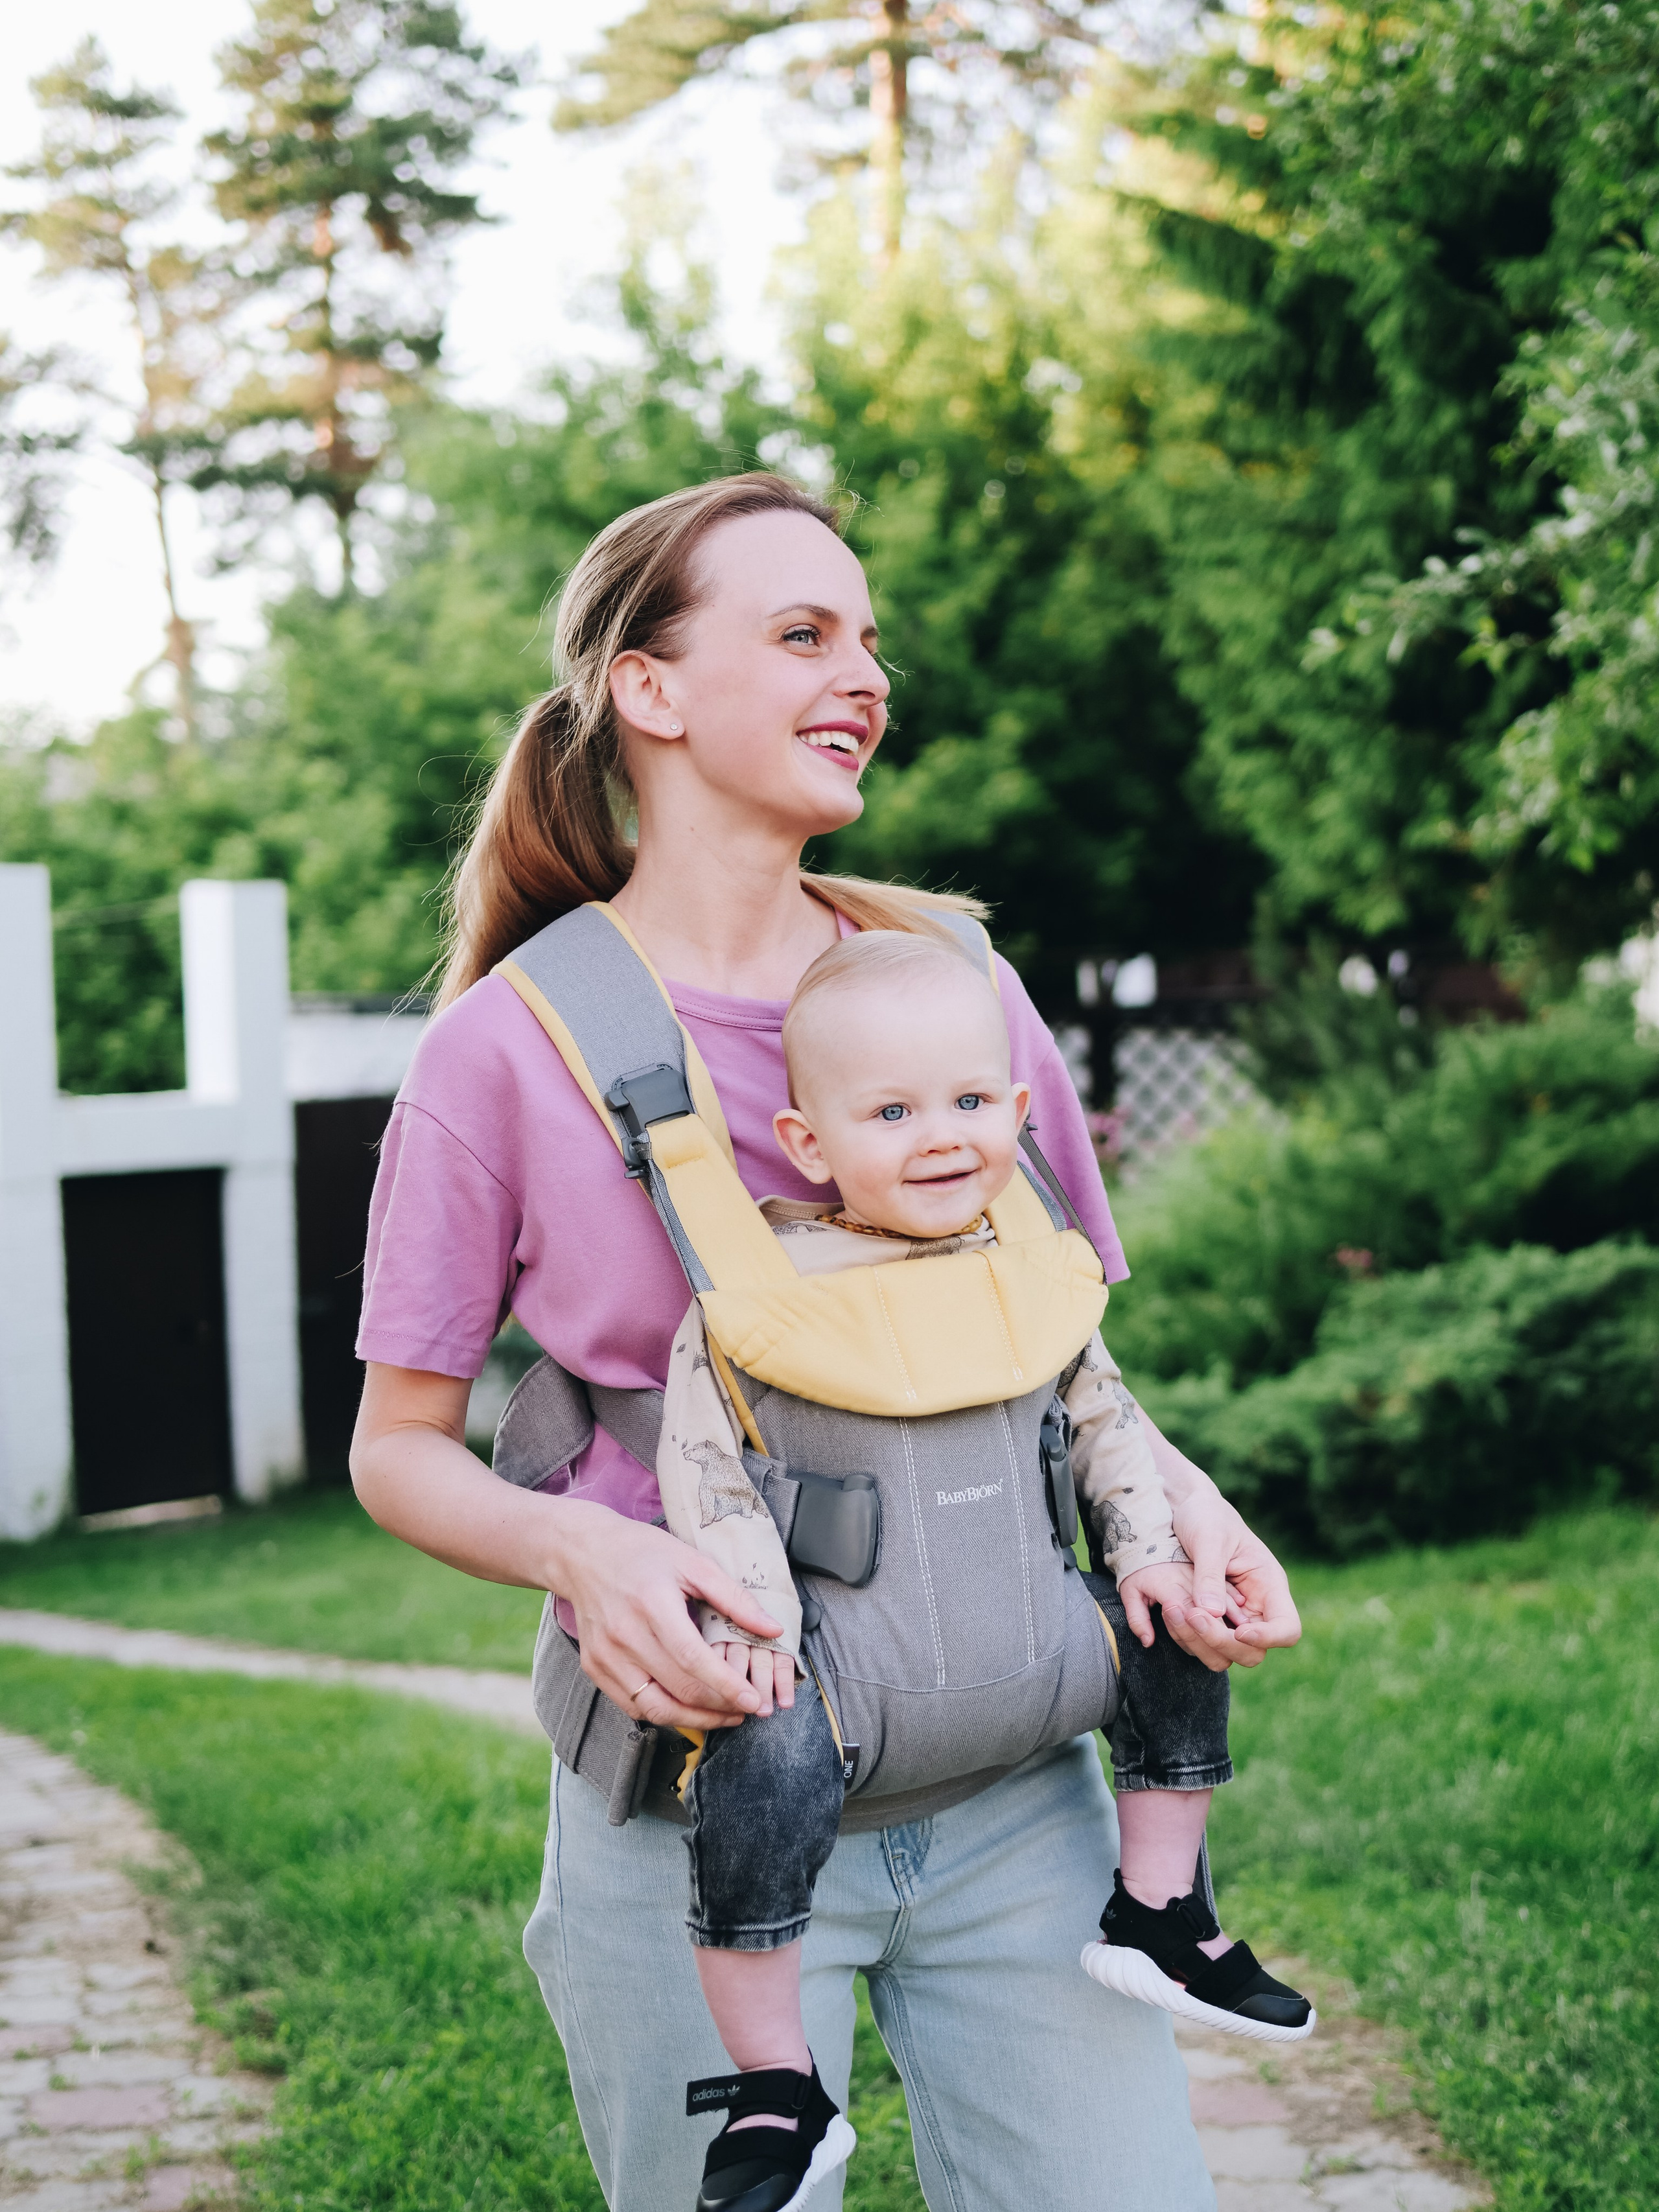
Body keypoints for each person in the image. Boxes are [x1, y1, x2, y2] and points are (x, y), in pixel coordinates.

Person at [349, 471, 1303, 2212]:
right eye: (803, 632)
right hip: (694, 1801)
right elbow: (393, 1442)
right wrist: (585, 1545)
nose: (864, 670)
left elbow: (1051, 1348)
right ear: (650, 687)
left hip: (1023, 1792)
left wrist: (1194, 1509)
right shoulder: (505, 1049)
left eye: (867, 636)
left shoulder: (956, 988)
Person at [655, 928, 1312, 2207]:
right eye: (890, 1111)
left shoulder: (1026, 1276)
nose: (940, 1133)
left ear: (1018, 1111)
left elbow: (1107, 1427)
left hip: (1037, 1647)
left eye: (967, 1102)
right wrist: (753, 1617)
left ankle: (1159, 1909)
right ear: (807, 1145)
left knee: (1168, 1618)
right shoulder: (763, 1291)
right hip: (849, 1676)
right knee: (758, 1761)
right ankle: (776, 2082)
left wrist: (1147, 1551)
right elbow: (705, 1468)